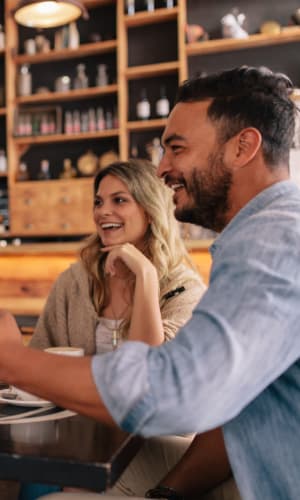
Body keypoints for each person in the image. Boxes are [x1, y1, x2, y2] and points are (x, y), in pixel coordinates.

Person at [0, 65, 300, 499]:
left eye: (176, 148)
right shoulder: (263, 236)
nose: (163, 168)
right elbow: (238, 408)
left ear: (243, 147)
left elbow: (176, 394)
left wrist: (10, 360)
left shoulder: (273, 239)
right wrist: (167, 493)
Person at [19, 158, 206, 499]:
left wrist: (146, 275)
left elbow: (149, 379)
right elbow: (38, 362)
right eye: (98, 201)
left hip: (154, 442)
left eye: (119, 200)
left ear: (150, 209)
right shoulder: (75, 281)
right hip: (78, 436)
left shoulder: (185, 291)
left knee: (67, 485)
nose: (103, 211)